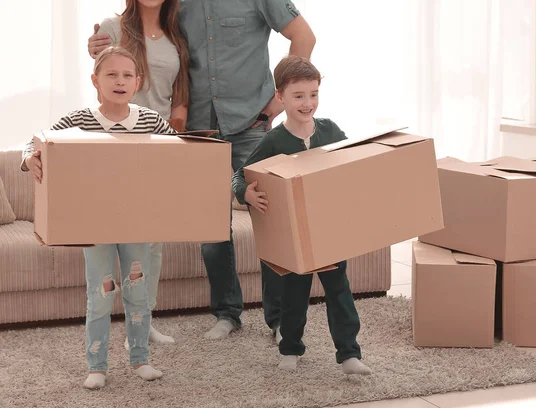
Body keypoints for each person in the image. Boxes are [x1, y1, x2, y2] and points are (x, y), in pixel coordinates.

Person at [88, 0, 316, 340]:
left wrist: (276, 103)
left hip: (251, 123)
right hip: (199, 129)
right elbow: (145, 36)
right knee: (212, 229)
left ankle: (281, 319)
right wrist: (99, 43)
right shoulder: (176, 4)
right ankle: (228, 313)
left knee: (272, 221)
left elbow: (304, 37)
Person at [22, 46, 175, 389]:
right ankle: (97, 366)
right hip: (95, 226)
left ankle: (140, 359)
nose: (119, 81)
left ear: (137, 81)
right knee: (101, 294)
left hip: (138, 223)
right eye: (111, 74)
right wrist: (29, 158)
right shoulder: (79, 120)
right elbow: (34, 144)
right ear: (95, 80)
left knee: (137, 293)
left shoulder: (150, 120)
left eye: (127, 75)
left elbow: (182, 155)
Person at [232, 55, 373, 375]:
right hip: (295, 232)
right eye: (298, 96)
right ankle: (290, 349)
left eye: (313, 94)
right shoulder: (273, 140)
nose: (307, 103)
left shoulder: (330, 130)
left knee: (339, 291)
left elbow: (352, 164)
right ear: (280, 97)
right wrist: (247, 194)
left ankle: (349, 354)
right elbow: (239, 176)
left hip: (329, 228)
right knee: (294, 294)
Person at [92, 0, 191, 349]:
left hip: (157, 144)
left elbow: (179, 93)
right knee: (110, 236)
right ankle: (101, 320)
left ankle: (143, 321)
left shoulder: (176, 35)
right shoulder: (113, 27)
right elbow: (102, 71)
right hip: (116, 145)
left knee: (152, 242)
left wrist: (174, 138)